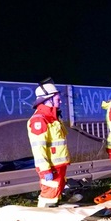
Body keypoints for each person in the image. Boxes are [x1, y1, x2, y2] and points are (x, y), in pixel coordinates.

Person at [27, 78, 70, 207]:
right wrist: (45, 171)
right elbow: (38, 149)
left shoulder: (53, 118)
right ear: (48, 99)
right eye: (57, 99)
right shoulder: (39, 120)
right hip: (50, 168)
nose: (60, 101)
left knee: (55, 196)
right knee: (49, 197)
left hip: (58, 166)